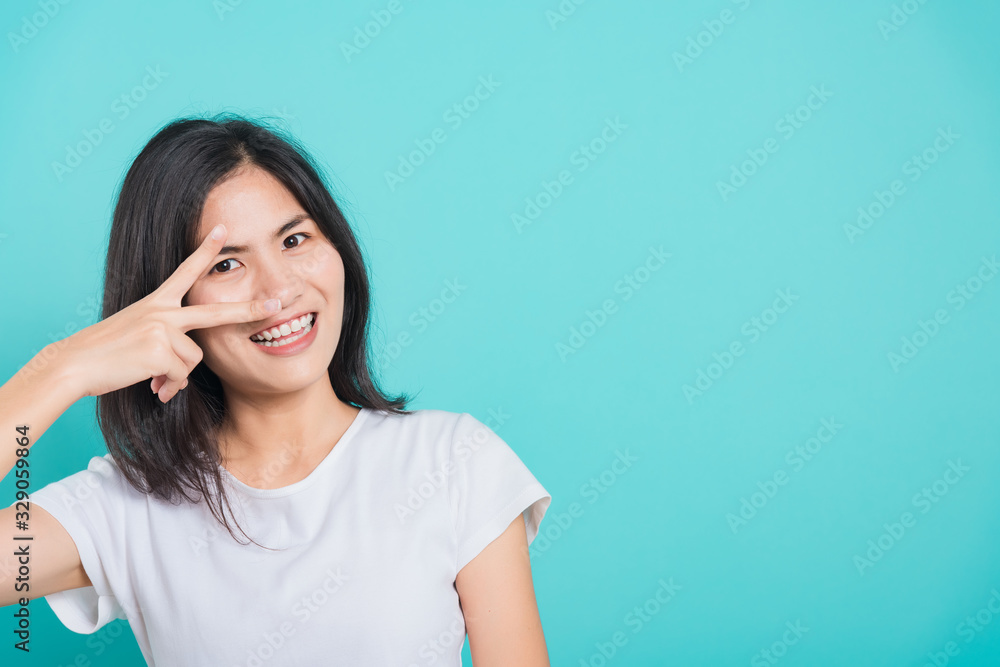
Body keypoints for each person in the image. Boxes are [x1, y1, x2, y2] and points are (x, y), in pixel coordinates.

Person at [0, 115, 552, 666]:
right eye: (226, 264)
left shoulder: (454, 462)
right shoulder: (125, 505)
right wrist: (61, 368)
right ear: (166, 304)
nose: (279, 290)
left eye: (294, 239)